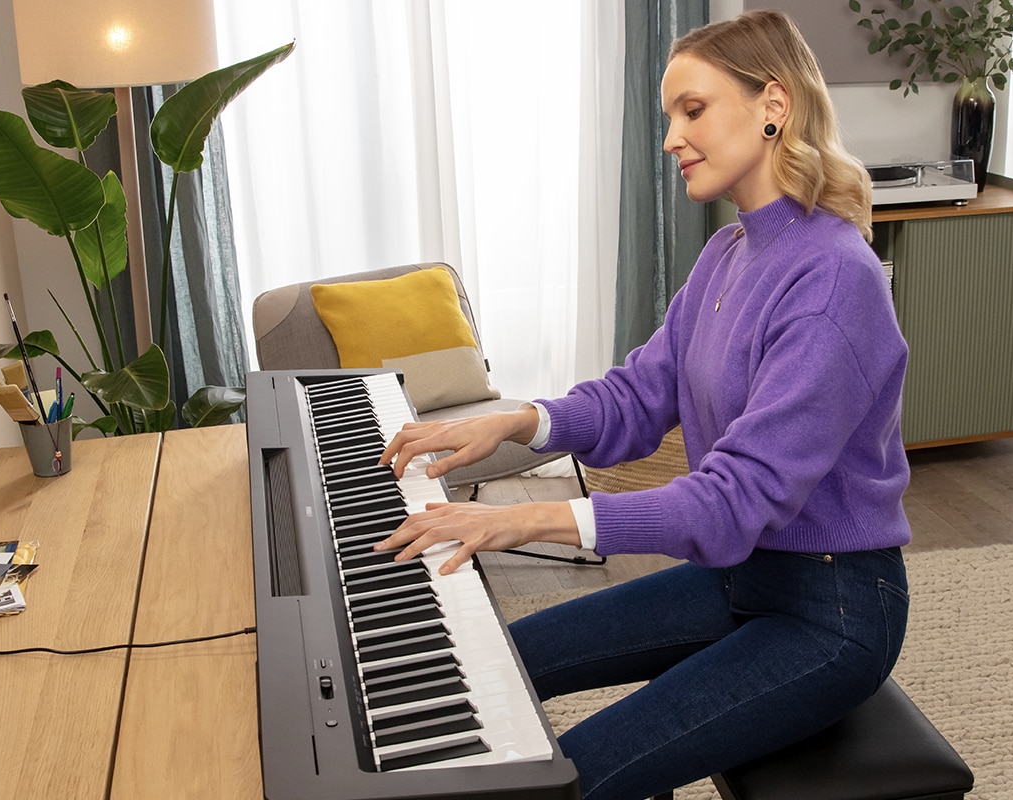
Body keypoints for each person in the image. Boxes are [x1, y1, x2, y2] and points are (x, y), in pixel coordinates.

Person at [375, 10, 909, 800]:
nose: (670, 139)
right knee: (497, 665)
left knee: (572, 775)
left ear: (773, 105)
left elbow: (734, 501)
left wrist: (518, 519)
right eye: (670, 117)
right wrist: (517, 420)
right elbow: (641, 392)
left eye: (692, 110)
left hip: (830, 611)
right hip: (741, 578)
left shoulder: (834, 279)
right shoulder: (731, 250)